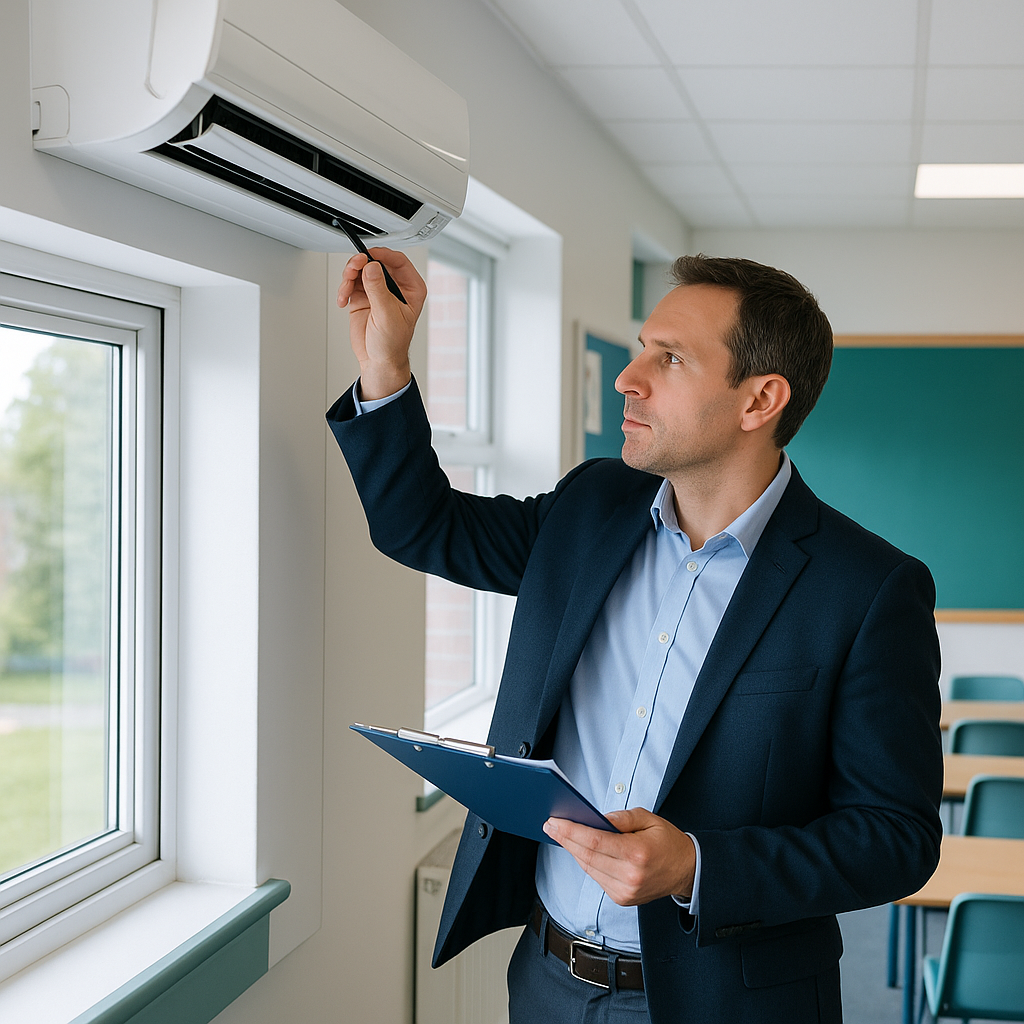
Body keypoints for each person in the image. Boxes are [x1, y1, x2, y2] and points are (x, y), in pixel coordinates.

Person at [327, 248, 943, 1024]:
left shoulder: (867, 589)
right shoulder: (593, 505)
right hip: (547, 982)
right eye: (641, 347)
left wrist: (696, 865)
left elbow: (896, 838)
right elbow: (425, 528)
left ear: (760, 400)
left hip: (731, 1003)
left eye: (670, 357)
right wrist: (384, 362)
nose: (628, 376)